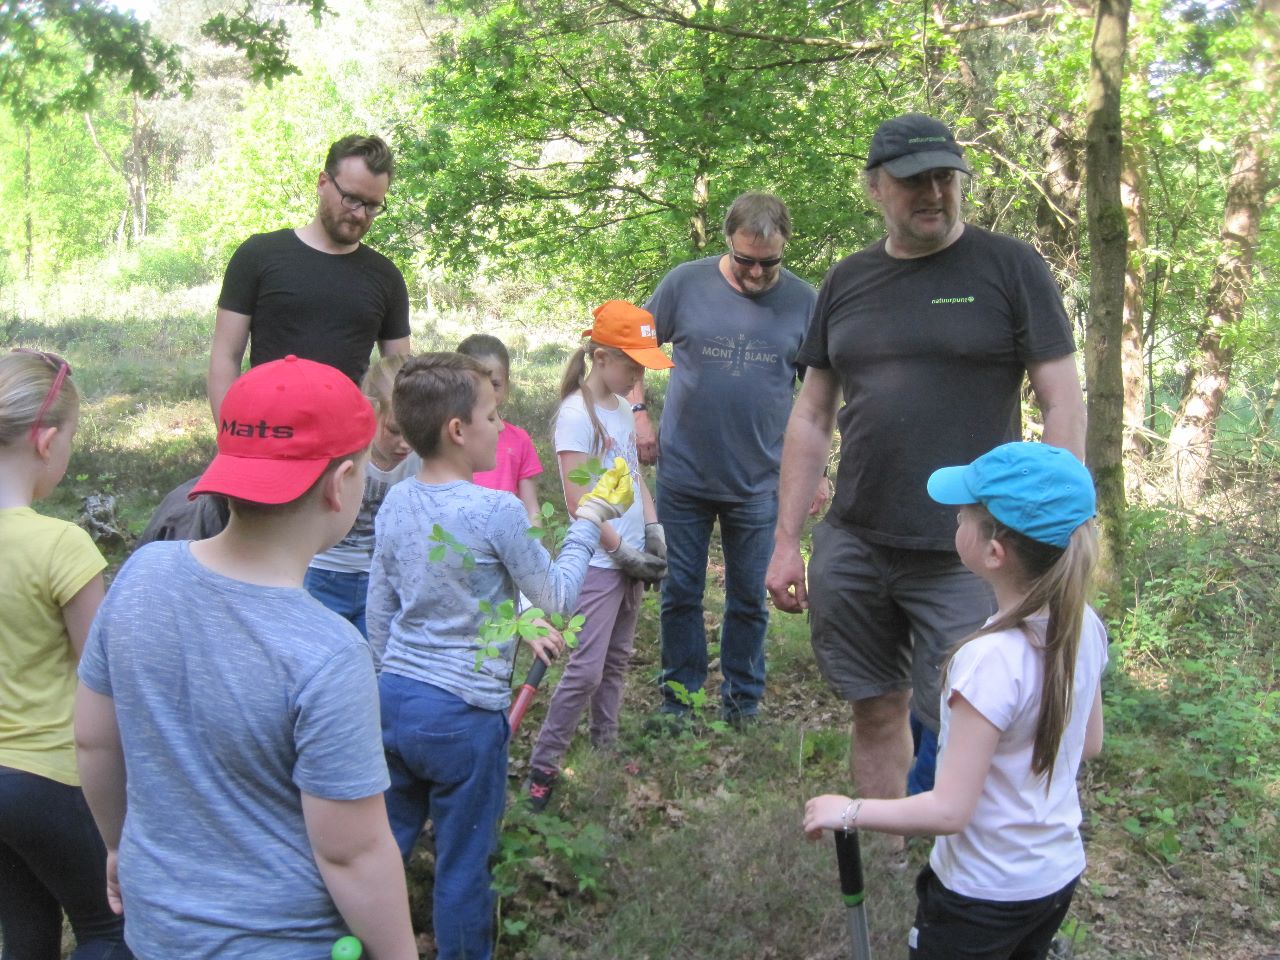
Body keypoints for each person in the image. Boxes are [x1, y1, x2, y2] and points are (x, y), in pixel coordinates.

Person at [766, 113, 1087, 816]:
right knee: (875, 708)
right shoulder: (847, 281)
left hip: (971, 550)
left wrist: (1054, 527)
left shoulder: (1010, 268)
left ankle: (973, 882)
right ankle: (891, 862)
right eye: (915, 182)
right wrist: (788, 541)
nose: (934, 194)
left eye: (946, 177)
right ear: (876, 188)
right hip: (856, 537)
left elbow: (1062, 400)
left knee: (976, 716)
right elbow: (812, 415)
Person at [75, 356, 417, 960]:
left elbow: (95, 742)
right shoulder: (329, 652)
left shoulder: (142, 575)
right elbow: (353, 852)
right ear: (341, 485)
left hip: (155, 929)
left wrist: (115, 845)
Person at [365, 353, 634, 960]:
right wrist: (591, 515)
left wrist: (386, 683)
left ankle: (348, 941)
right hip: (463, 719)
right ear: (457, 430)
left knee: (380, 847)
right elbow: (560, 597)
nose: (502, 427)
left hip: (394, 702)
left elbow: (379, 609)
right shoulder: (497, 511)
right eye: (492, 415)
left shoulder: (398, 501)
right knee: (464, 861)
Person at [804, 442, 1106, 960]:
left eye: (965, 514)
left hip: (980, 896)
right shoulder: (1084, 624)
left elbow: (948, 811)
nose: (955, 519)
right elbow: (1089, 744)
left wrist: (849, 810)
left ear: (994, 552)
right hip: (1054, 875)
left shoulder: (988, 659)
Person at [637, 191, 820, 724]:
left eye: (769, 262)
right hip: (684, 474)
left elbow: (820, 397)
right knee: (679, 593)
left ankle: (743, 702)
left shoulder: (805, 302)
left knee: (748, 599)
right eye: (745, 260)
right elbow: (634, 348)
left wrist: (821, 471)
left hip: (761, 481)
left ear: (785, 246)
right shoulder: (684, 284)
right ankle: (679, 701)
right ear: (728, 242)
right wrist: (638, 413)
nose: (757, 273)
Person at [0, 350, 130, 959]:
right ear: (47, 441)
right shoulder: (61, 546)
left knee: (27, 933)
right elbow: (105, 682)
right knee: (111, 929)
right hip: (50, 777)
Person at [525, 301, 673, 810]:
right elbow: (576, 499)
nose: (637, 374)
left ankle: (604, 746)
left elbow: (632, 476)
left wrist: (652, 528)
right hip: (598, 561)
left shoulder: (620, 407)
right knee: (584, 669)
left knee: (617, 660)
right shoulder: (576, 414)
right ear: (602, 356)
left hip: (630, 551)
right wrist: (621, 551)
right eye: (631, 363)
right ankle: (544, 764)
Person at [208, 134, 411, 419]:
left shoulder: (386, 277)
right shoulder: (258, 255)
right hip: (265, 438)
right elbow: (225, 358)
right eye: (351, 199)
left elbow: (398, 377)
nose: (360, 214)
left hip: (345, 450)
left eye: (372, 205)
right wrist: (231, 438)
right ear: (322, 183)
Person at [304, 354, 417, 637]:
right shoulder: (345, 452)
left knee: (370, 660)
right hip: (324, 575)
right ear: (369, 409)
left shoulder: (420, 460)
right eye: (394, 430)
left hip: (379, 580)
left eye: (414, 432)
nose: (405, 443)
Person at [456, 334, 543, 522]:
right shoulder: (451, 437)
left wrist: (533, 548)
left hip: (506, 545)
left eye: (494, 384)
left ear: (506, 386)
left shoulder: (520, 440)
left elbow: (531, 508)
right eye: (475, 384)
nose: (485, 393)